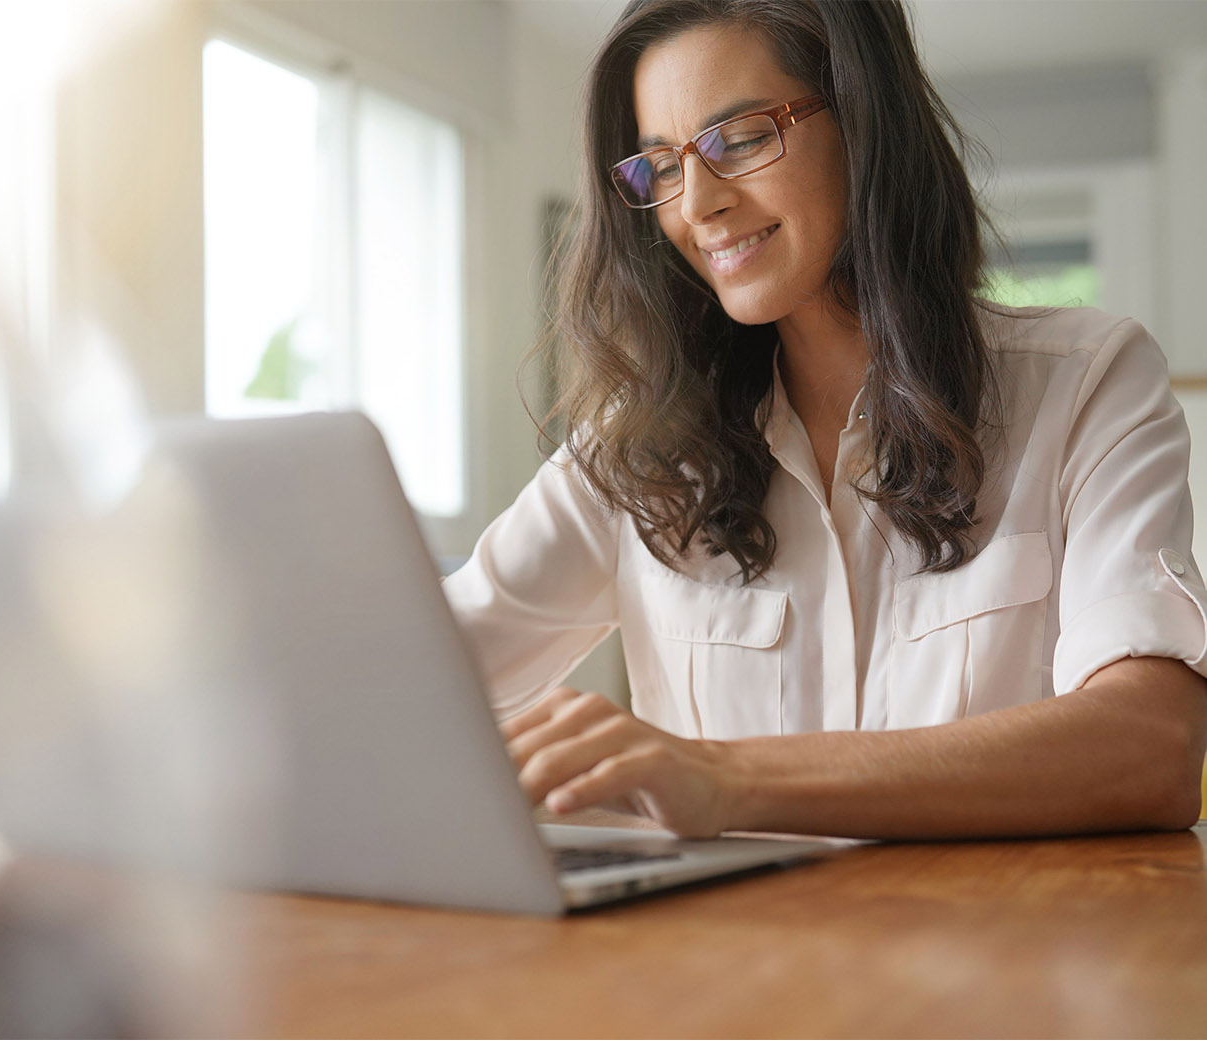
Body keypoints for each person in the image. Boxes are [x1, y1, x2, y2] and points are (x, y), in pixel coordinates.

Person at [443, 0, 1207, 840]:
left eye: (738, 140)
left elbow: (1152, 746)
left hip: (1001, 956)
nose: (697, 204)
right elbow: (410, 683)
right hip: (729, 967)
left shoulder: (1088, 383)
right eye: (660, 166)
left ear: (864, 123)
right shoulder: (639, 454)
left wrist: (724, 777)